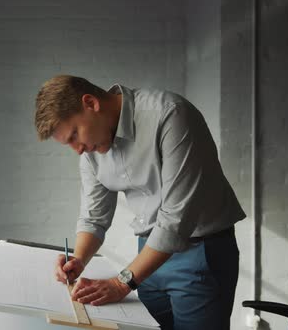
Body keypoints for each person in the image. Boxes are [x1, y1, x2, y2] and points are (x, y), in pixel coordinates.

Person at [34, 75, 246, 330]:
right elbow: (94, 217)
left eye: (74, 136)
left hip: (200, 253)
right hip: (147, 256)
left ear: (90, 103)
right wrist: (78, 259)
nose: (77, 149)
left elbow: (175, 220)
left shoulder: (170, 115)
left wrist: (120, 283)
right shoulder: (91, 150)